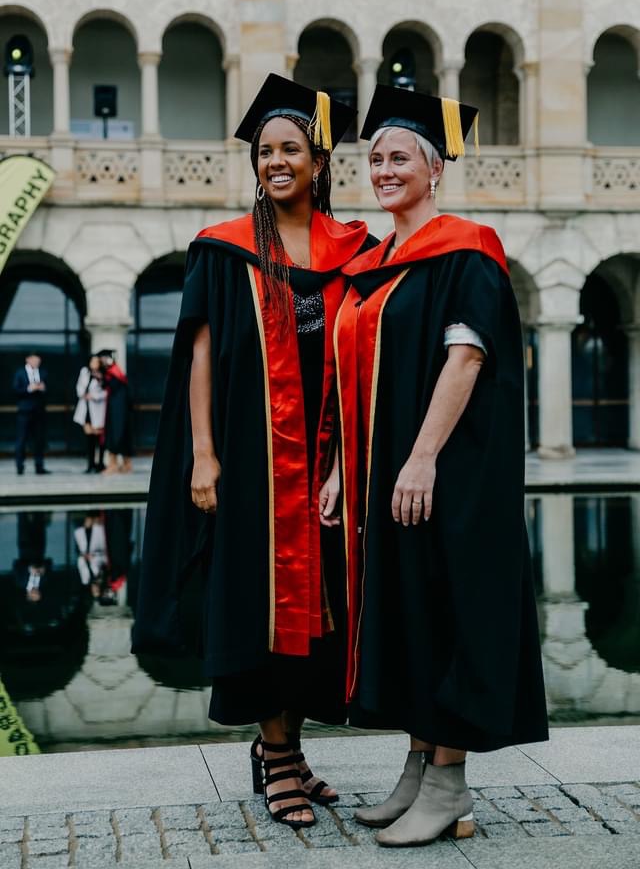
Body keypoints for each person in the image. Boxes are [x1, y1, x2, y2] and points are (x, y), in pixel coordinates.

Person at [132, 74, 371, 830]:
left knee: (315, 614)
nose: (275, 161)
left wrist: (345, 463)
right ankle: (273, 756)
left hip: (323, 467)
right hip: (250, 461)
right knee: (257, 606)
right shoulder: (223, 249)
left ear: (318, 162)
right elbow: (200, 352)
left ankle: (292, 751)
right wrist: (203, 455)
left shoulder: (353, 250)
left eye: (290, 148)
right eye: (265, 150)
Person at [334, 85, 548, 847]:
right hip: (389, 468)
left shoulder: (466, 250)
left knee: (449, 605)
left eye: (400, 159)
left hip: (448, 470)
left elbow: (466, 358)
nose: (384, 170)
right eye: (376, 159)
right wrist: (343, 467)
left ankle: (450, 782)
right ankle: (418, 767)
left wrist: (422, 458)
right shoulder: (377, 259)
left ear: (434, 169)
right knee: (411, 607)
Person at [97, 350, 134, 474]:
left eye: (103, 358)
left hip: (117, 411)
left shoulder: (114, 372)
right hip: (117, 410)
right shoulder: (113, 372)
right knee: (119, 435)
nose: (102, 361)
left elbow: (112, 387)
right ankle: (125, 464)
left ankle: (115, 465)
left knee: (115, 435)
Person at [13, 353, 49, 475]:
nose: (36, 362)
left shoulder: (43, 373)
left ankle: (39, 466)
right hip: (24, 412)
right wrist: (29, 388)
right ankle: (19, 466)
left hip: (39, 412)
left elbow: (50, 390)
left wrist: (43, 388)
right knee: (21, 439)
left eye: (38, 360)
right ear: (28, 359)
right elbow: (15, 390)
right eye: (34, 359)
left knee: (39, 440)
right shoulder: (19, 373)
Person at [73, 355, 107, 472]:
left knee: (99, 438)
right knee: (89, 438)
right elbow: (79, 386)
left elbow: (106, 392)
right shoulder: (85, 372)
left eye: (96, 361)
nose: (94, 363)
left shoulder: (103, 375)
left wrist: (94, 396)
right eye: (92, 361)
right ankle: (90, 464)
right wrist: (83, 394)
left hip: (97, 409)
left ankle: (100, 463)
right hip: (86, 409)